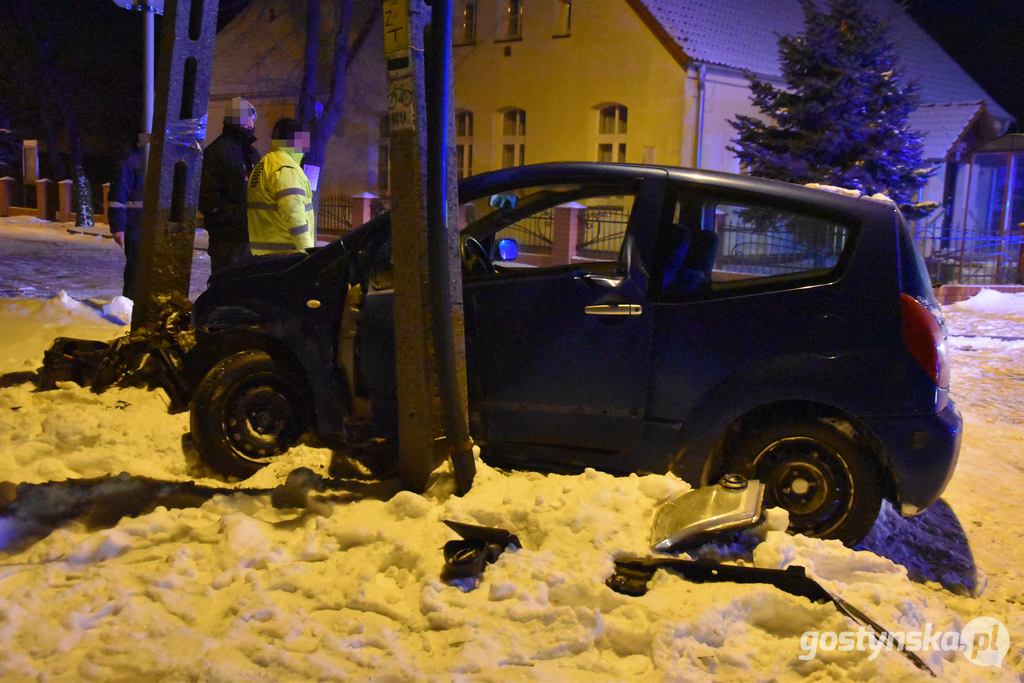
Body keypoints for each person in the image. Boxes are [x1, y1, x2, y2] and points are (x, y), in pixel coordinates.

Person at [199, 96, 260, 273]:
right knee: (227, 287)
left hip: (248, 237)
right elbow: (208, 199)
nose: (252, 124)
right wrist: (240, 217)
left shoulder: (251, 153)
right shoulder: (217, 152)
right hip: (226, 239)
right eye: (251, 119)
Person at [247, 118, 315, 255]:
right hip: (286, 256)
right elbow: (295, 215)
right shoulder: (287, 169)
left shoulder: (265, 164)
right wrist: (308, 252)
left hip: (263, 254)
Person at [108, 135, 147, 299]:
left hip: (146, 223)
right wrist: (118, 227)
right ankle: (130, 306)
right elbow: (118, 195)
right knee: (136, 269)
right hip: (136, 224)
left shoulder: (142, 159)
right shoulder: (134, 160)